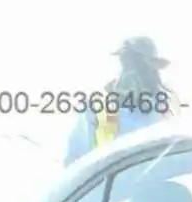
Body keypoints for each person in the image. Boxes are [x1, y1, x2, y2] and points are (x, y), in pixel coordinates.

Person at [64, 37, 176, 165]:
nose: (132, 74)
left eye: (141, 67)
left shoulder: (165, 111)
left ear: (154, 70)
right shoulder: (95, 111)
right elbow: (73, 165)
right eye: (127, 64)